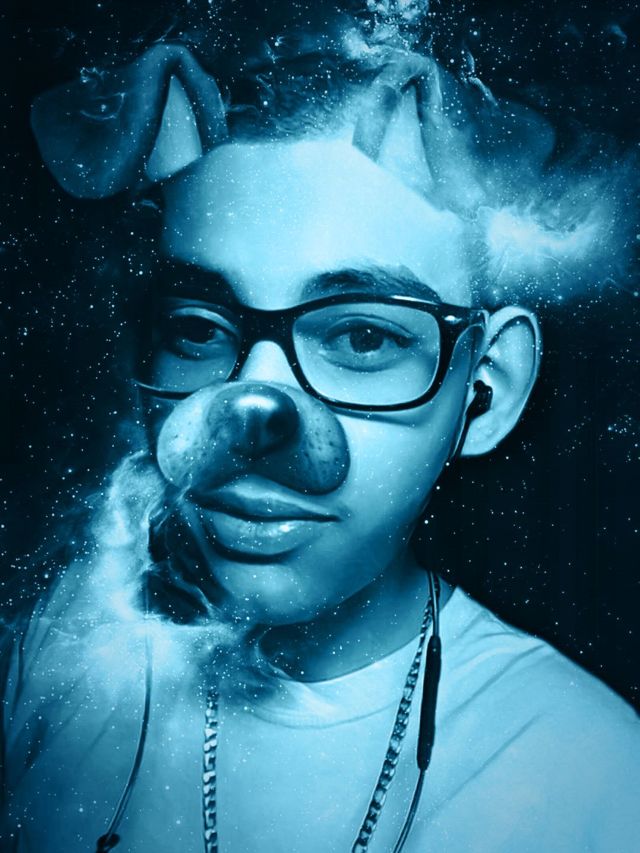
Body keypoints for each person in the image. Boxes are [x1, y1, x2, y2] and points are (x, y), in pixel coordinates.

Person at [1, 4, 638, 852]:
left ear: (486, 391)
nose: (251, 417)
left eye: (363, 337)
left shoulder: (596, 778)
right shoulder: (51, 652)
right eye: (198, 327)